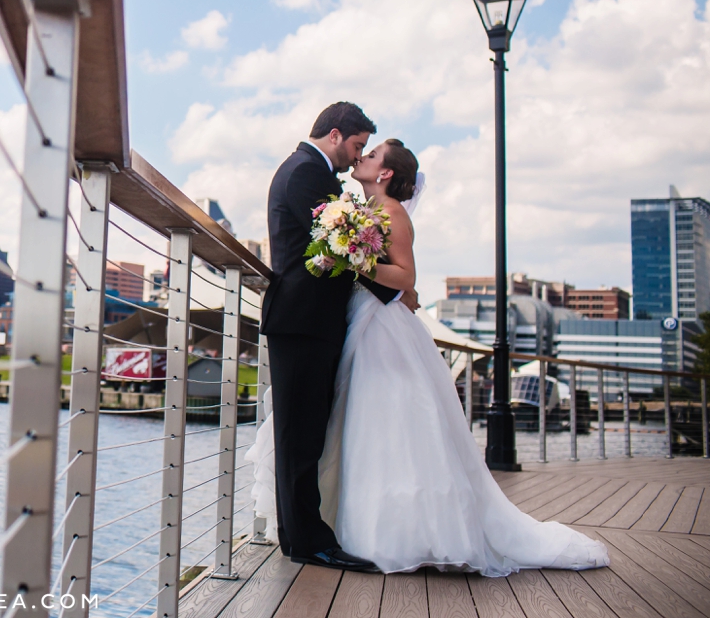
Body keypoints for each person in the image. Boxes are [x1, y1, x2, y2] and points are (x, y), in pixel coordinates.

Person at [251, 137, 609, 575]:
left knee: (390, 425)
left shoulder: (393, 212)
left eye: (371, 153)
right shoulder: (362, 211)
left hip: (380, 328)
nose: (362, 157)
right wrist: (350, 252)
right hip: (356, 321)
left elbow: (405, 276)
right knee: (362, 424)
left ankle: (403, 532)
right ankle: (350, 525)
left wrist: (351, 257)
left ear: (384, 173)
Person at [258, 101, 379, 571]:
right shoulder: (307, 172)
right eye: (356, 145)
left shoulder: (311, 170)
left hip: (308, 321)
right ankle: (310, 541)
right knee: (300, 436)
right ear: (334, 134)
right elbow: (334, 243)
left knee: (303, 434)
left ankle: (299, 537)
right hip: (303, 320)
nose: (355, 156)